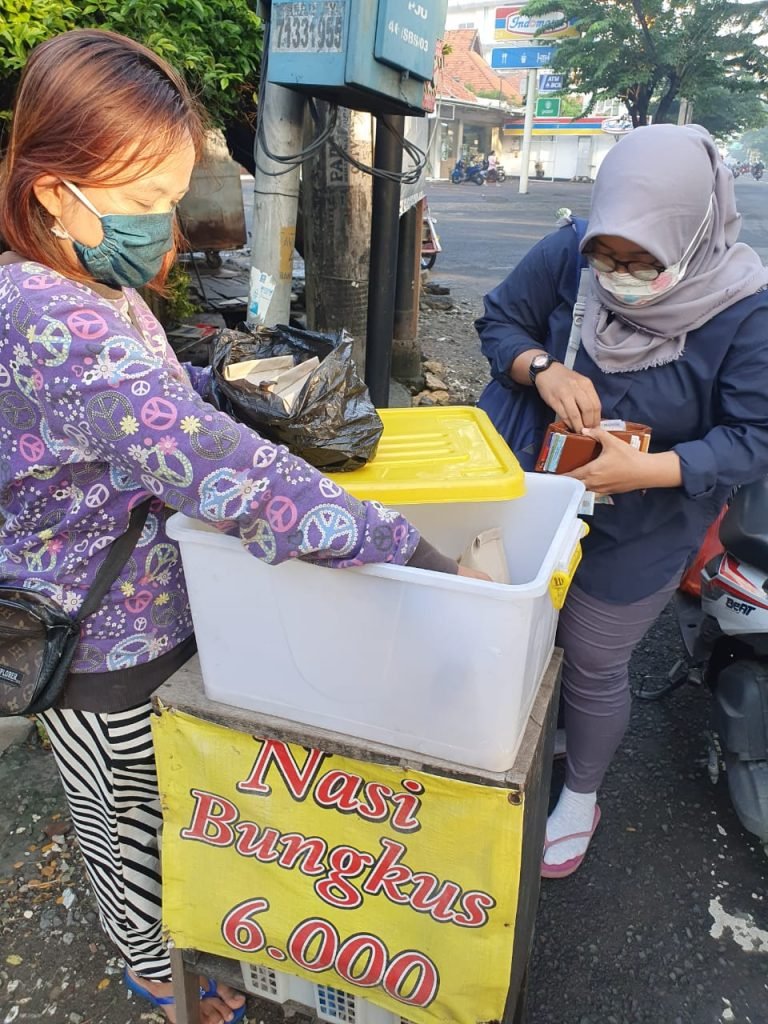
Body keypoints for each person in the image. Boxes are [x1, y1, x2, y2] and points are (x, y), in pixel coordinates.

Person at [0, 29, 485, 1024]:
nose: (163, 226)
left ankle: (188, 947)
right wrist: (412, 551)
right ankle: (154, 975)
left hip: (157, 610)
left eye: (171, 198)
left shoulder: (94, 285)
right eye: (143, 200)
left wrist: (224, 381)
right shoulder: (44, 316)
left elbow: (149, 401)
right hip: (91, 642)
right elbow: (221, 470)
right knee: (127, 822)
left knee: (175, 800)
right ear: (54, 192)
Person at [476, 123, 768, 879]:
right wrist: (541, 368)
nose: (618, 276)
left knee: (595, 659)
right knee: (523, 627)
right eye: (606, 257)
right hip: (538, 491)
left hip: (650, 518)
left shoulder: (744, 310)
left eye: (642, 261)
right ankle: (547, 731)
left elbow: (754, 436)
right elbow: (499, 320)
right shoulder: (568, 252)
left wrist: (653, 469)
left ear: (693, 232)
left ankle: (580, 796)